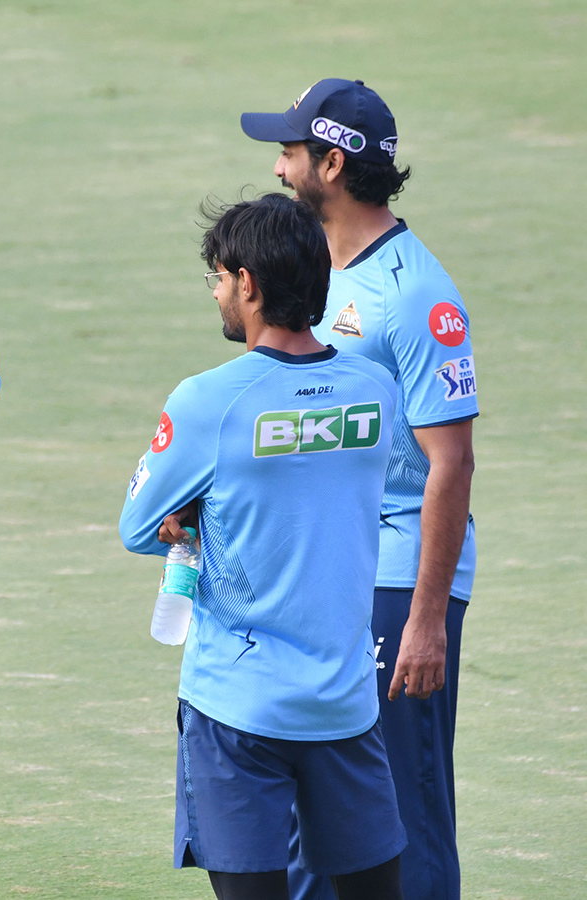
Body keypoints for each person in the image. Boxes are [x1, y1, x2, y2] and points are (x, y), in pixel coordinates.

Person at [119, 193, 405, 900]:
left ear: (247, 284)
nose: (217, 294)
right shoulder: (375, 390)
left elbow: (138, 527)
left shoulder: (208, 401)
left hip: (236, 710)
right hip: (343, 704)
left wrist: (194, 513)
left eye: (218, 278)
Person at [241, 79, 477, 900]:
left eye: (290, 151)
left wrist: (425, 620)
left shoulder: (415, 295)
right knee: (316, 796)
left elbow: (452, 464)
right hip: (327, 565)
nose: (277, 167)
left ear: (331, 164)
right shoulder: (310, 271)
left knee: (399, 805)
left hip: (396, 579)